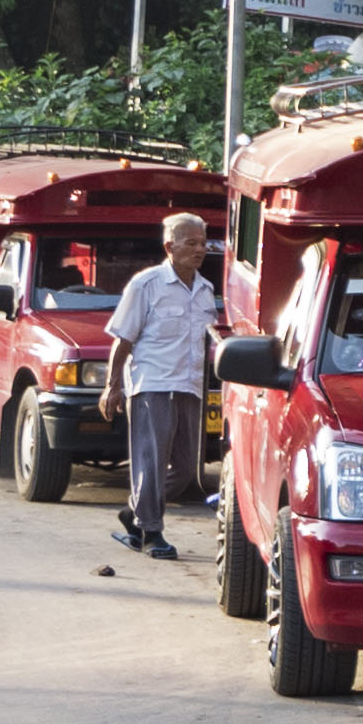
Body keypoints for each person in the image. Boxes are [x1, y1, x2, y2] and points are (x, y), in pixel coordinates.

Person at [102, 209, 226, 560]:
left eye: (203, 242)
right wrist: (112, 386)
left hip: (190, 386)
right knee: (151, 462)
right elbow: (123, 339)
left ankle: (134, 512)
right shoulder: (146, 284)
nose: (200, 249)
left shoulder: (205, 289)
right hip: (152, 384)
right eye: (191, 243)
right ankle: (152, 532)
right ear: (169, 245)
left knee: (188, 468)